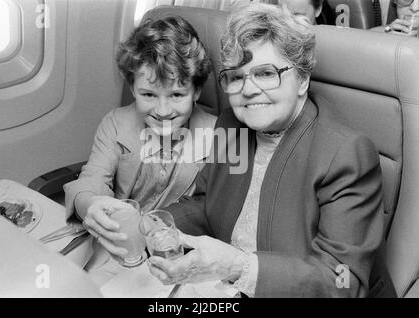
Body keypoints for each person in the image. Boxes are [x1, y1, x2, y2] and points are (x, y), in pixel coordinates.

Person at [141, 3, 395, 297]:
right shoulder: (231, 126)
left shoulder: (345, 154)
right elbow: (205, 205)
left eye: (265, 73)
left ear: (302, 79)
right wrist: (153, 228)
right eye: (236, 77)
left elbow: (342, 280)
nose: (247, 89)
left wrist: (237, 266)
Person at [63, 15, 216, 283]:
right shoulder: (115, 123)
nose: (163, 111)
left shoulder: (218, 134)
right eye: (148, 94)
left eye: (177, 95)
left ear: (197, 91)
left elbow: (212, 208)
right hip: (118, 242)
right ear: (132, 88)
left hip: (176, 249)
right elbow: (92, 179)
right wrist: (91, 204)